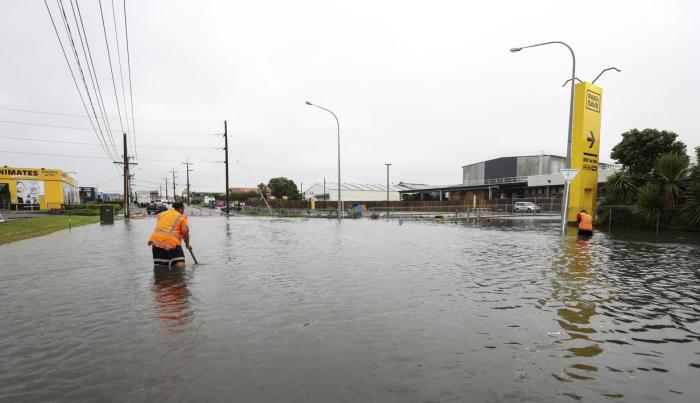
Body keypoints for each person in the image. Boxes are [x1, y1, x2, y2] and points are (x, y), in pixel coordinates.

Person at [148, 201, 191, 269]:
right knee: (180, 263)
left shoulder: (161, 214)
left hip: (156, 242)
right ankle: (180, 277)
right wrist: (187, 245)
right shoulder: (182, 217)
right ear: (180, 208)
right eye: (183, 209)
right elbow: (185, 233)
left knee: (160, 267)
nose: (183, 211)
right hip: (171, 242)